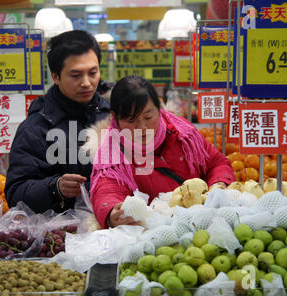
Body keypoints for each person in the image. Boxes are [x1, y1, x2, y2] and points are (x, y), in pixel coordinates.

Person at [89, 75, 235, 229]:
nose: (142, 127)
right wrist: (112, 212)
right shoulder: (112, 153)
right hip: (156, 236)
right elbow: (107, 189)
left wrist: (218, 184)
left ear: (158, 109)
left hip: (204, 225)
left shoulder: (182, 134)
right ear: (115, 118)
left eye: (148, 116)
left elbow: (216, 162)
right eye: (131, 120)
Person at [5, 30, 110, 213]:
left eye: (93, 72)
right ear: (55, 76)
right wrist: (55, 188)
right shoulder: (37, 127)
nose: (86, 83)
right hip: (62, 235)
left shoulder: (113, 116)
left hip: (115, 230)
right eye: (76, 76)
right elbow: (15, 193)